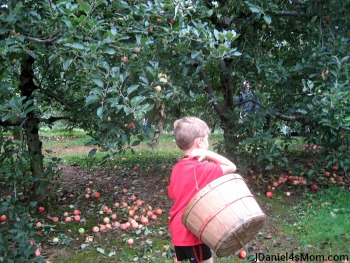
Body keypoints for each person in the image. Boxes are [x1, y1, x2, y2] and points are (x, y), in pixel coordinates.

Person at [168, 117, 237, 263]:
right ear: (199, 141)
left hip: (179, 228)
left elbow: (173, 194)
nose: (208, 141)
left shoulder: (177, 168)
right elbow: (231, 167)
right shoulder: (202, 168)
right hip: (192, 231)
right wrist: (208, 154)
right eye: (207, 138)